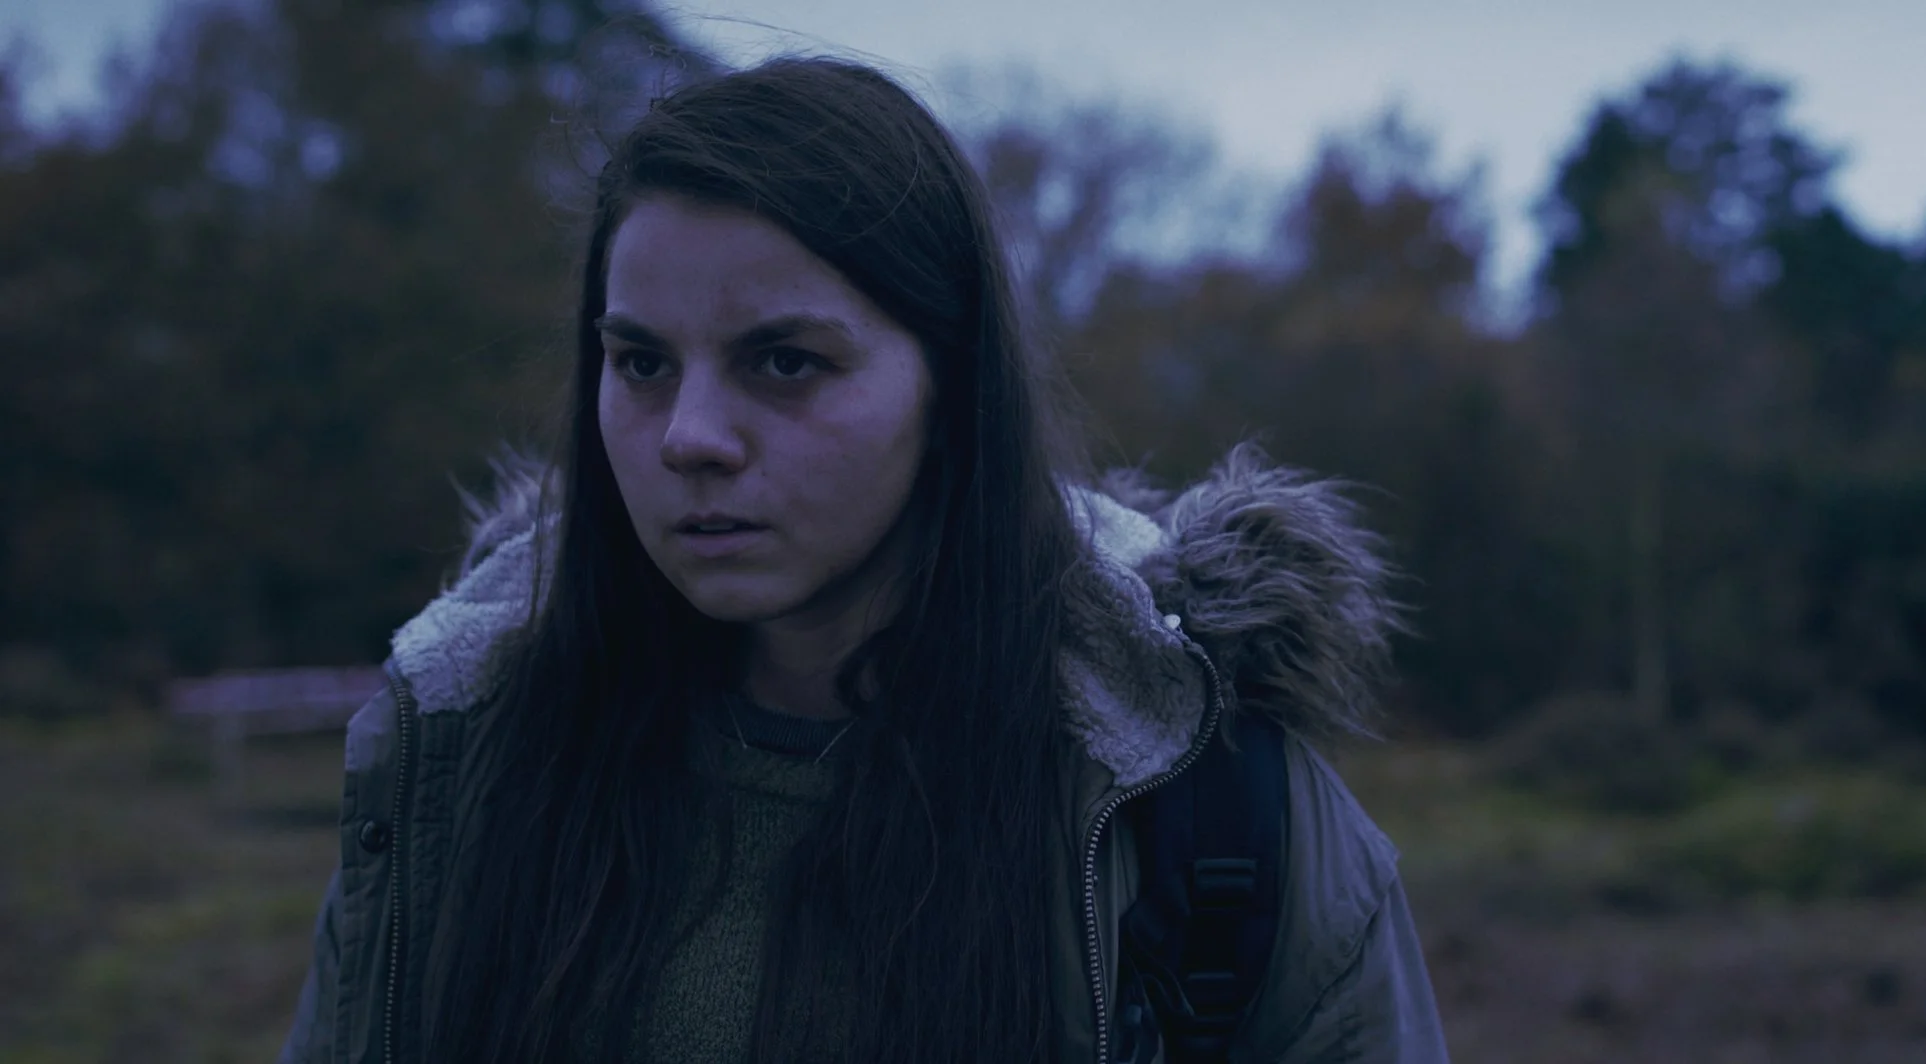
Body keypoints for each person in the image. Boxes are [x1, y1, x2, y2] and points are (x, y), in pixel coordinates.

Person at [278, 57, 1445, 1064]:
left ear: (950, 390)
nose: (689, 435)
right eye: (639, 361)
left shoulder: (1193, 797)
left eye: (782, 361)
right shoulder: (462, 747)